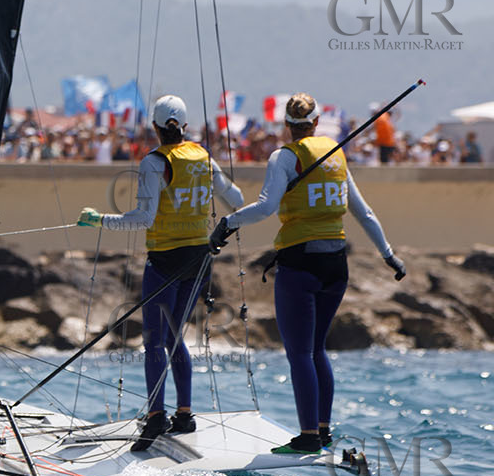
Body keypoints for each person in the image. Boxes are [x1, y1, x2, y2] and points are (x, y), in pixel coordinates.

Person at [211, 93, 406, 455]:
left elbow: (266, 207)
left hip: (299, 264)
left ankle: (308, 437)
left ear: (286, 125)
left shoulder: (283, 157)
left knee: (299, 353)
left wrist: (227, 223)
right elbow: (363, 213)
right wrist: (389, 255)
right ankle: (323, 430)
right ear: (316, 123)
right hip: (337, 264)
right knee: (317, 349)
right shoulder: (336, 152)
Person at [78, 95, 243, 452]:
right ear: (184, 127)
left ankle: (155, 417)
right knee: (174, 336)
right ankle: (184, 414)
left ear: (154, 127)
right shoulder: (203, 157)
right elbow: (237, 197)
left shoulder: (154, 162)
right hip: (199, 259)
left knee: (155, 341)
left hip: (166, 260)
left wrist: (98, 221)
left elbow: (142, 220)